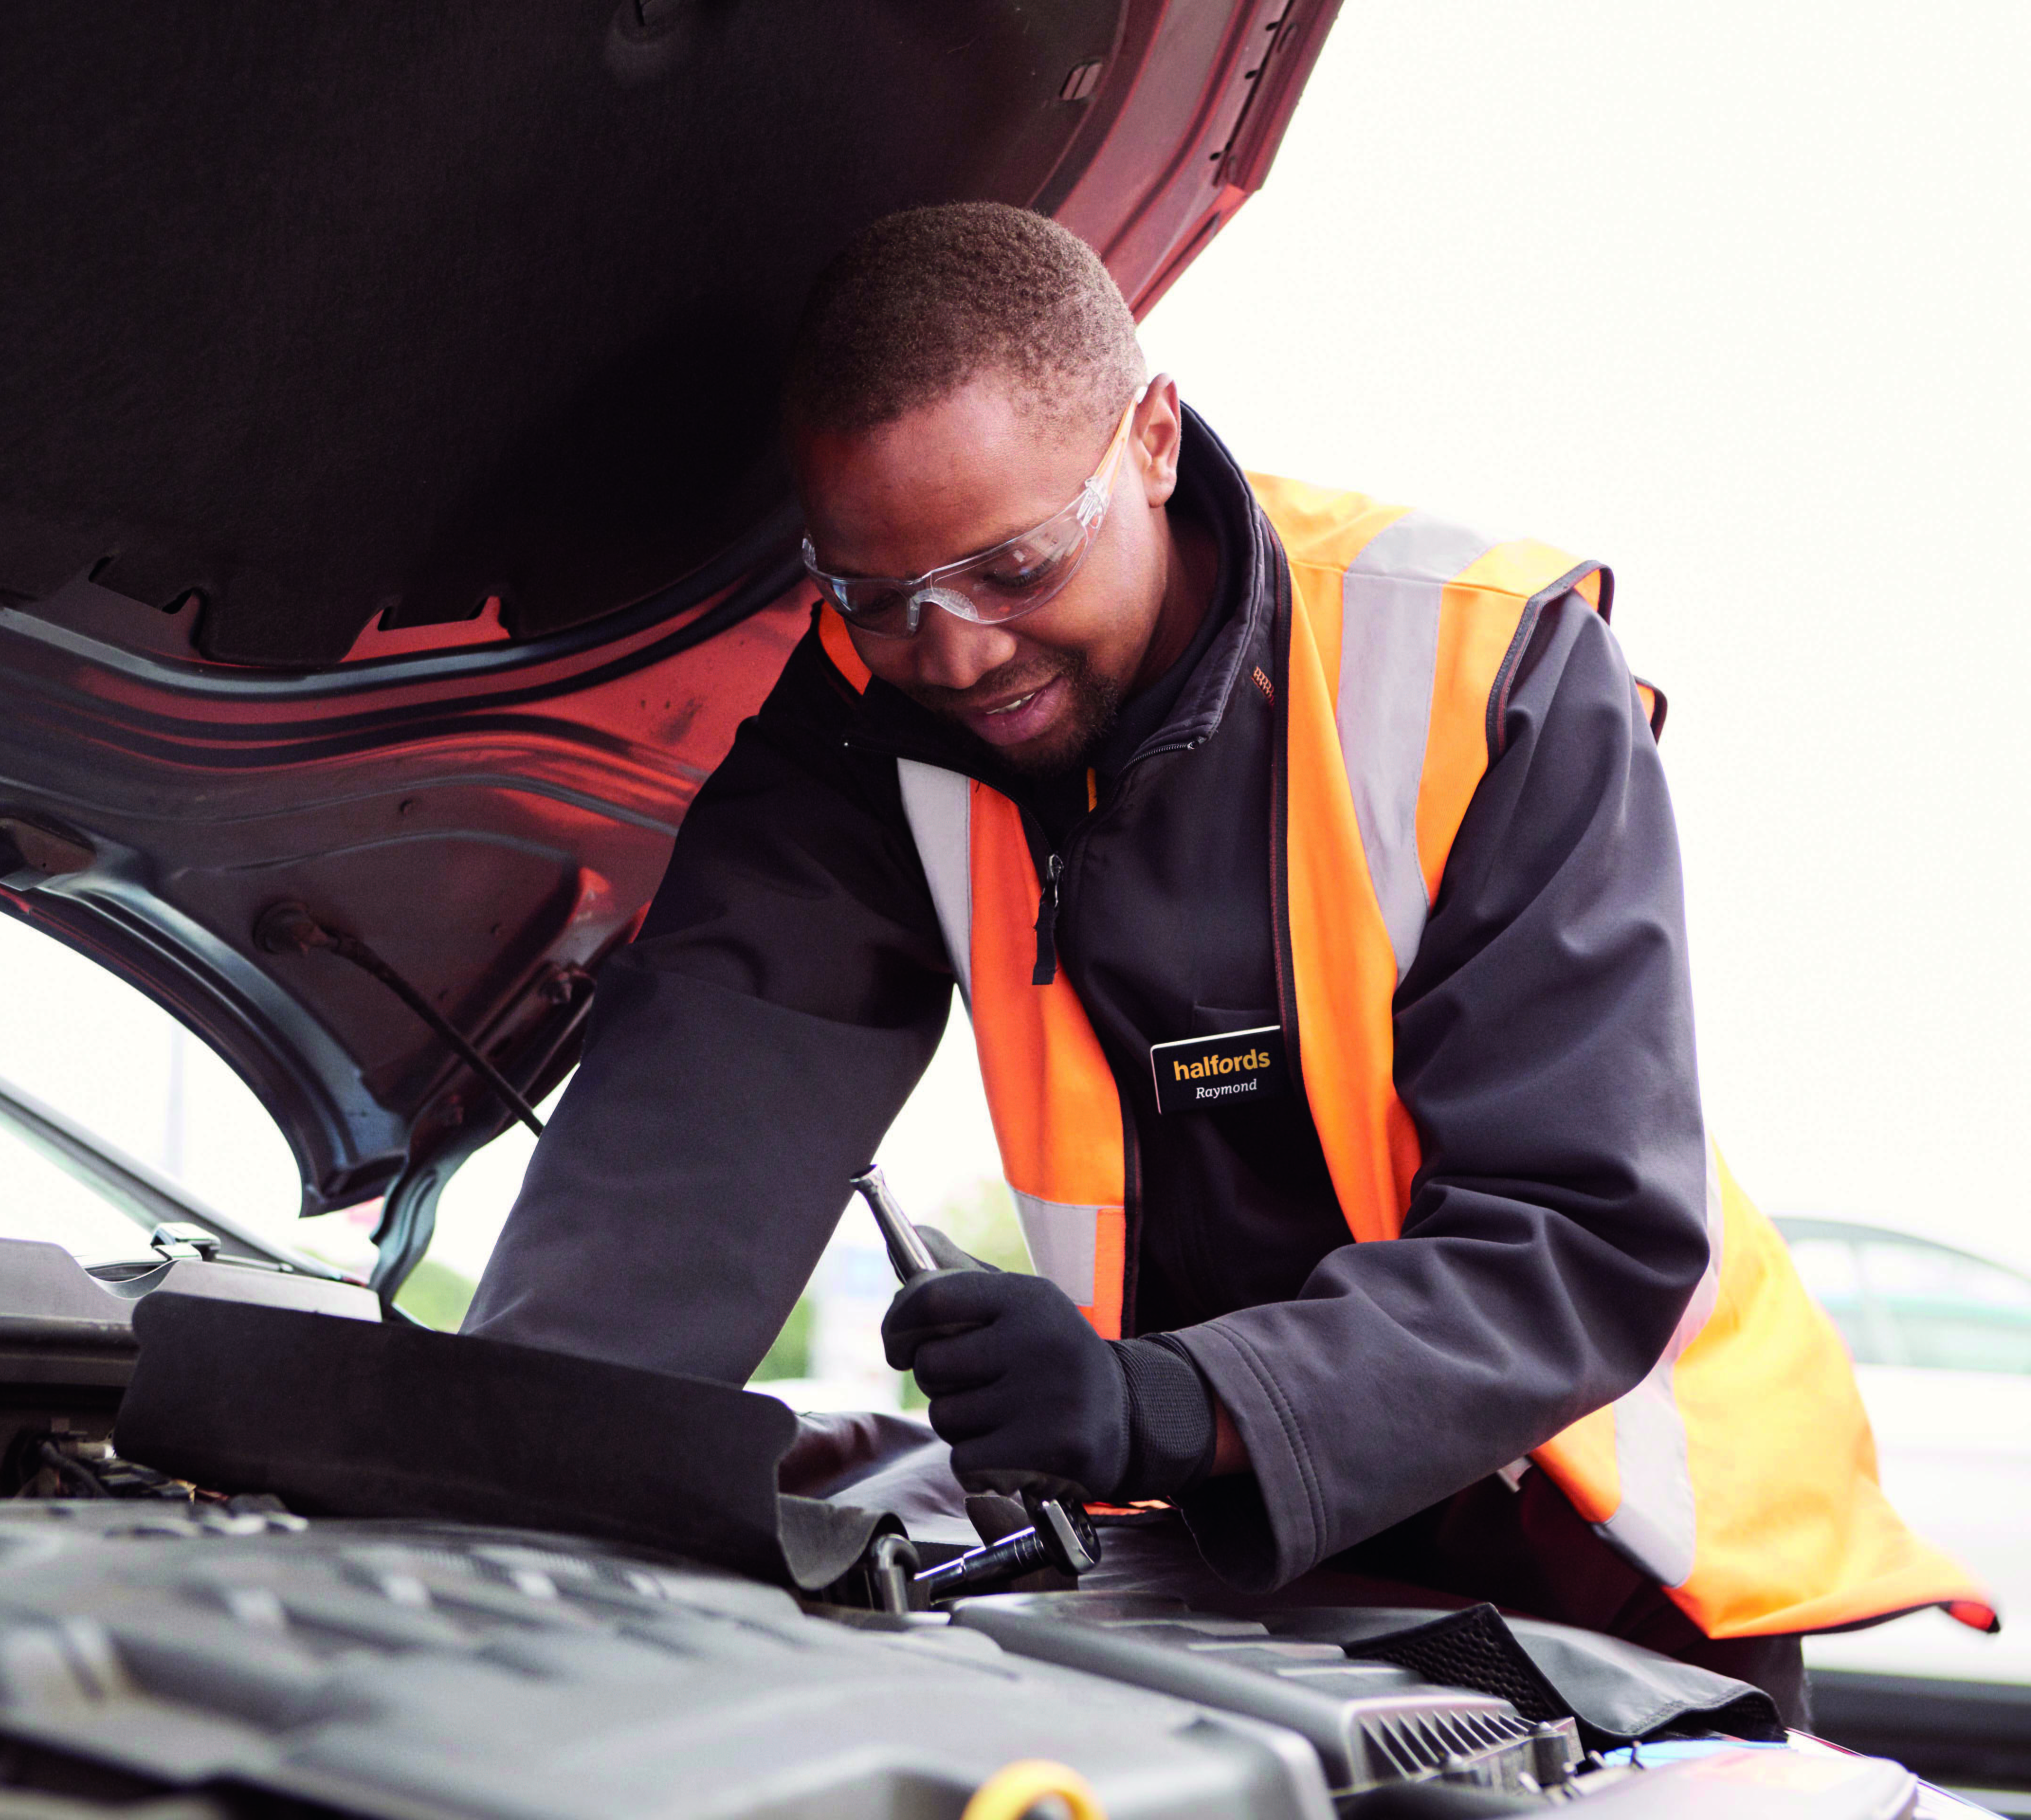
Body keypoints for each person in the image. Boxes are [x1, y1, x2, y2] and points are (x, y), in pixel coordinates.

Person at [463, 202, 1984, 1716]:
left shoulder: (1484, 669)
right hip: (1243, 1554)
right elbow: (696, 1117)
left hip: (1615, 1563)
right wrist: (496, 1487)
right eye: (879, 596)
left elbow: (1581, 1238)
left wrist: (1165, 1401)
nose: (958, 652)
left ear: (1153, 438)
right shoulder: (873, 712)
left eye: (1014, 567)